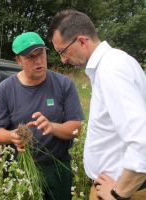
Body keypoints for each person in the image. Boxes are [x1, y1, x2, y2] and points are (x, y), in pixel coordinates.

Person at [47, 9, 146, 200]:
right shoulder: (113, 63)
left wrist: (119, 194)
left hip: (124, 190)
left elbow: (142, 141)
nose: (63, 59)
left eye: (63, 51)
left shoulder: (111, 70)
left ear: (82, 41)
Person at [0, 31, 85, 200]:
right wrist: (12, 136)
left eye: (41, 54)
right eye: (30, 57)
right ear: (18, 61)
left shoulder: (64, 84)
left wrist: (52, 127)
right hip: (21, 167)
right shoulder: (5, 89)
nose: (38, 61)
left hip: (58, 166)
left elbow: (76, 128)